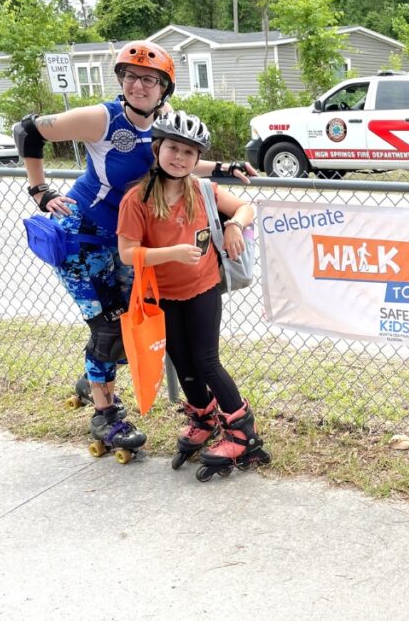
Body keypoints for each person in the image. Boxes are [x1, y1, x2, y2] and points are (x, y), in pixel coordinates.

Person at [15, 41, 253, 457]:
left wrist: (224, 169)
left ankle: (94, 378)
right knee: (108, 329)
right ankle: (105, 415)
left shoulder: (160, 124)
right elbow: (27, 130)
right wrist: (39, 189)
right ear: (120, 80)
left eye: (150, 79)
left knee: (133, 325)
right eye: (131, 76)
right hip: (83, 237)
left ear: (164, 89)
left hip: (128, 239)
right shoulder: (102, 119)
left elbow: (175, 158)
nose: (139, 85)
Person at [116, 111, 270, 482]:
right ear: (158, 149)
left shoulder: (203, 190)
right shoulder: (137, 199)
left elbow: (247, 206)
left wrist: (234, 224)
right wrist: (171, 252)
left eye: (189, 152)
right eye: (173, 148)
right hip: (163, 294)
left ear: (196, 158)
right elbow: (127, 252)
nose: (180, 158)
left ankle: (242, 432)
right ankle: (202, 416)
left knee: (205, 360)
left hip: (203, 287)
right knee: (182, 361)